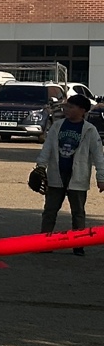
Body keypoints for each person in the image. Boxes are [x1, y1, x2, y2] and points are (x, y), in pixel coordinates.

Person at [36, 93, 104, 255]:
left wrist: (101, 178)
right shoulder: (58, 126)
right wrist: (40, 166)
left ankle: (78, 244)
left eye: (71, 107)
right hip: (56, 174)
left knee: (78, 212)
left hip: (78, 176)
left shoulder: (89, 130)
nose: (66, 109)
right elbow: (48, 148)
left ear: (82, 110)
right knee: (50, 211)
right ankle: (44, 243)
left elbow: (98, 156)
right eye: (66, 106)